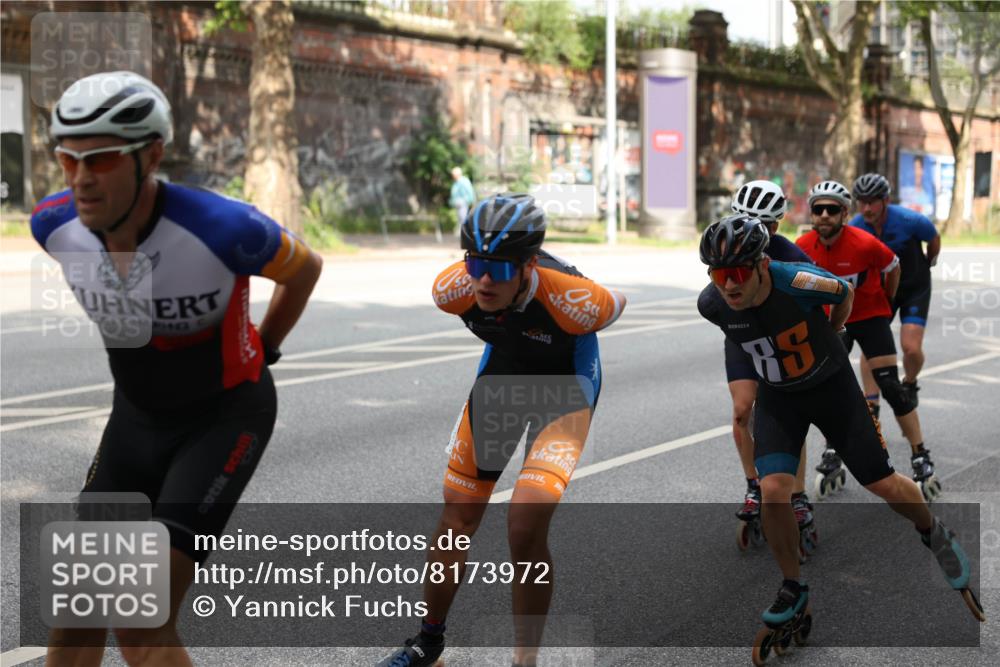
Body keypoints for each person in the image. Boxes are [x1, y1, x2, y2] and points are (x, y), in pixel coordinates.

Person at [32, 71, 323, 666]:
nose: (82, 179)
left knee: (139, 623)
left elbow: (305, 269)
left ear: (152, 155)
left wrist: (265, 347)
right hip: (135, 422)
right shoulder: (52, 226)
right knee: (77, 618)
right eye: (69, 160)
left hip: (223, 418)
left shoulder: (223, 228)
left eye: (103, 159)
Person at [697, 215, 983, 651]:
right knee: (774, 489)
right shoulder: (712, 304)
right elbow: (740, 337)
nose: (729, 285)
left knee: (881, 482)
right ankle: (793, 588)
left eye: (737, 273)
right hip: (781, 398)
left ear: (761, 265)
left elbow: (845, 292)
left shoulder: (796, 280)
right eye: (719, 275)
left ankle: (933, 530)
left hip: (833, 390)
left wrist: (834, 329)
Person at [378, 193, 626, 667]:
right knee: (457, 517)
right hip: (504, 378)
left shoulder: (577, 300)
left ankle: (524, 661)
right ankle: (428, 644)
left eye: (502, 269)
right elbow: (477, 285)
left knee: (525, 524)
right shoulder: (452, 290)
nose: (486, 280)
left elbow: (617, 302)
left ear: (530, 265)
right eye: (476, 264)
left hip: (565, 390)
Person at [797, 180, 940, 500]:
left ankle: (920, 455)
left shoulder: (863, 242)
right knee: (830, 389)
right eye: (818, 209)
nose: (823, 215)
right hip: (835, 324)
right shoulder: (803, 246)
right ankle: (833, 451)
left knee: (891, 386)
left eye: (831, 210)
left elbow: (894, 267)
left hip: (871, 317)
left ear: (844, 213)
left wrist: (886, 301)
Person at [728, 181, 817, 552]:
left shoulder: (793, 258)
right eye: (742, 219)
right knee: (741, 410)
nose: (749, 230)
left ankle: (796, 495)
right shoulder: (723, 243)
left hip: (785, 341)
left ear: (776, 227)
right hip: (744, 337)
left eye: (762, 225)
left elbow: (821, 304)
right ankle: (753, 484)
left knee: (789, 417)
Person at [850, 173, 940, 422]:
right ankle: (872, 407)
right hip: (883, 292)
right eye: (862, 202)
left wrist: (930, 262)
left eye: (872, 202)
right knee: (871, 349)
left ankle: (910, 382)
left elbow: (933, 238)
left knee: (910, 348)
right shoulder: (856, 225)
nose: (867, 208)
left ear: (885, 201)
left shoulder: (910, 220)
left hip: (914, 287)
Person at [449, 166, 476, 236]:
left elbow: (470, 192)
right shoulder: (456, 182)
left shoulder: (464, 181)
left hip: (463, 203)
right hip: (458, 204)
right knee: (460, 219)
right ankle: (461, 233)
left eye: (453, 174)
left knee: (463, 219)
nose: (452, 176)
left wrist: (472, 201)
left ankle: (464, 234)